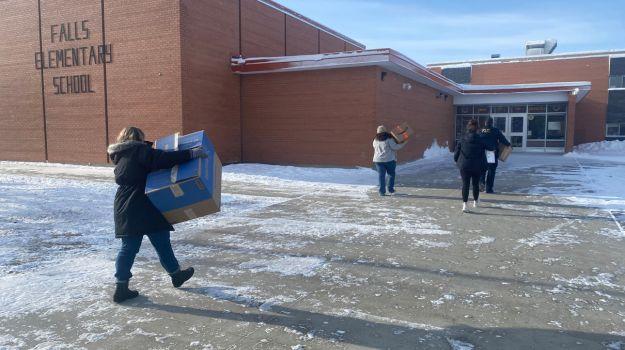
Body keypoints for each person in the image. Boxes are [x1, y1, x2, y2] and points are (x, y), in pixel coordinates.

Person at [107, 127, 207, 303]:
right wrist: (191, 154)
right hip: (142, 203)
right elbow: (163, 159)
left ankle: (122, 287)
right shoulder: (138, 150)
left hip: (125, 204)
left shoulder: (122, 155)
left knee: (130, 247)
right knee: (160, 241)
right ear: (138, 138)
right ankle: (175, 274)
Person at [454, 119, 493, 212]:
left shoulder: (462, 138)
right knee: (475, 184)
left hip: (464, 166)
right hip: (477, 166)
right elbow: (490, 147)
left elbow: (457, 151)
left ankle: (465, 205)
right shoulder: (481, 139)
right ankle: (475, 202)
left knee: (465, 185)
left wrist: (457, 161)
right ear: (477, 128)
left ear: (468, 127)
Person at [479, 118, 511, 193]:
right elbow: (503, 139)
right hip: (491, 153)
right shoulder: (495, 130)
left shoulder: (480, 130)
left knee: (482, 170)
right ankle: (489, 189)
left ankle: (481, 185)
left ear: (485, 123)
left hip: (482, 153)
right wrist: (509, 145)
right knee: (491, 171)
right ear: (492, 123)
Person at [372, 125, 405, 196]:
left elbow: (375, 148)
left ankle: (382, 192)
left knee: (381, 176)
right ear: (385, 131)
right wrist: (403, 143)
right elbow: (395, 147)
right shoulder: (389, 139)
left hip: (378, 161)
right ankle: (390, 189)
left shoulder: (375, 140)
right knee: (391, 174)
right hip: (389, 160)